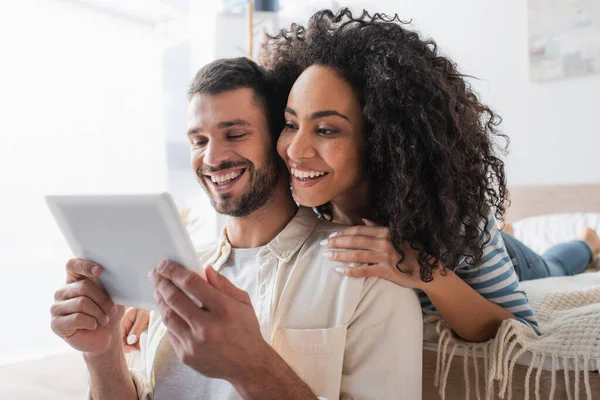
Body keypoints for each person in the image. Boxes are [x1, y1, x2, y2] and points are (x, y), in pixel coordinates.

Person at [122, 8, 600, 347]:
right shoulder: (300, 194)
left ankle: (586, 242)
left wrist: (418, 268)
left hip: (490, 255)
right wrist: (163, 306)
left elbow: (521, 331)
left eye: (326, 128)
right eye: (290, 123)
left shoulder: (453, 218)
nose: (296, 149)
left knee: (552, 266)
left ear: (384, 138)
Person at [49, 57, 423, 400]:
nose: (212, 158)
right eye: (199, 141)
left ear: (280, 140)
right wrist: (102, 353)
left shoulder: (365, 275)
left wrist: (250, 366)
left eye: (234, 134)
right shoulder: (176, 273)